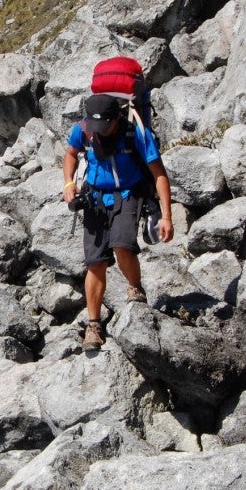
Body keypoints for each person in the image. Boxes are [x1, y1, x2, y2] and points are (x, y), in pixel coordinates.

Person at [62, 93, 174, 351]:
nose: (98, 132)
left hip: (129, 192)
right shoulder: (83, 130)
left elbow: (159, 173)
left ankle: (135, 289)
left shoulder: (136, 134)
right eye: (94, 127)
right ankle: (93, 326)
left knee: (122, 245)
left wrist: (166, 216)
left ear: (117, 119)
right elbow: (70, 154)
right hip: (95, 198)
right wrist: (68, 182)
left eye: (104, 126)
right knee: (95, 261)